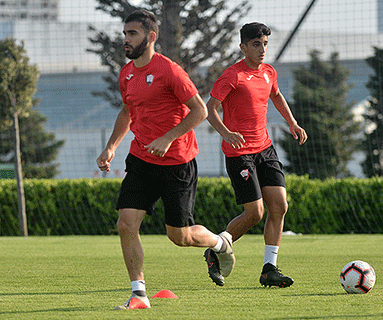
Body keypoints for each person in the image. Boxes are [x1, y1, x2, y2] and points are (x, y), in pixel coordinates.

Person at [96, 9, 234, 310]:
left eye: (132, 33)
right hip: (141, 161)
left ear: (151, 37)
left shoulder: (170, 71)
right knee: (126, 223)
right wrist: (111, 147)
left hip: (177, 163)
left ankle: (220, 243)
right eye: (124, 33)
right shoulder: (126, 73)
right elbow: (126, 112)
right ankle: (139, 294)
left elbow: (201, 110)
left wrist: (169, 137)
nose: (126, 39)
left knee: (180, 237)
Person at [204, 22, 307, 288]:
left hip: (265, 148)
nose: (262, 50)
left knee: (280, 206)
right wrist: (226, 133)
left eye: (265, 44)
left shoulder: (268, 72)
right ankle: (215, 249)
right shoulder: (232, 75)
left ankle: (269, 269)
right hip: (239, 153)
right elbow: (209, 108)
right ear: (243, 47)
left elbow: (278, 96)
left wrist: (292, 122)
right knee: (255, 213)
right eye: (256, 44)